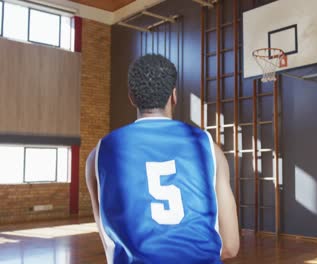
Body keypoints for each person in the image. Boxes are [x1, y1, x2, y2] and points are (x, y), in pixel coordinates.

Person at [85, 54, 239, 264]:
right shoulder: (209, 148)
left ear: (131, 97)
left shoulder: (98, 154)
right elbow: (230, 246)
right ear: (174, 96)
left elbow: (107, 235)